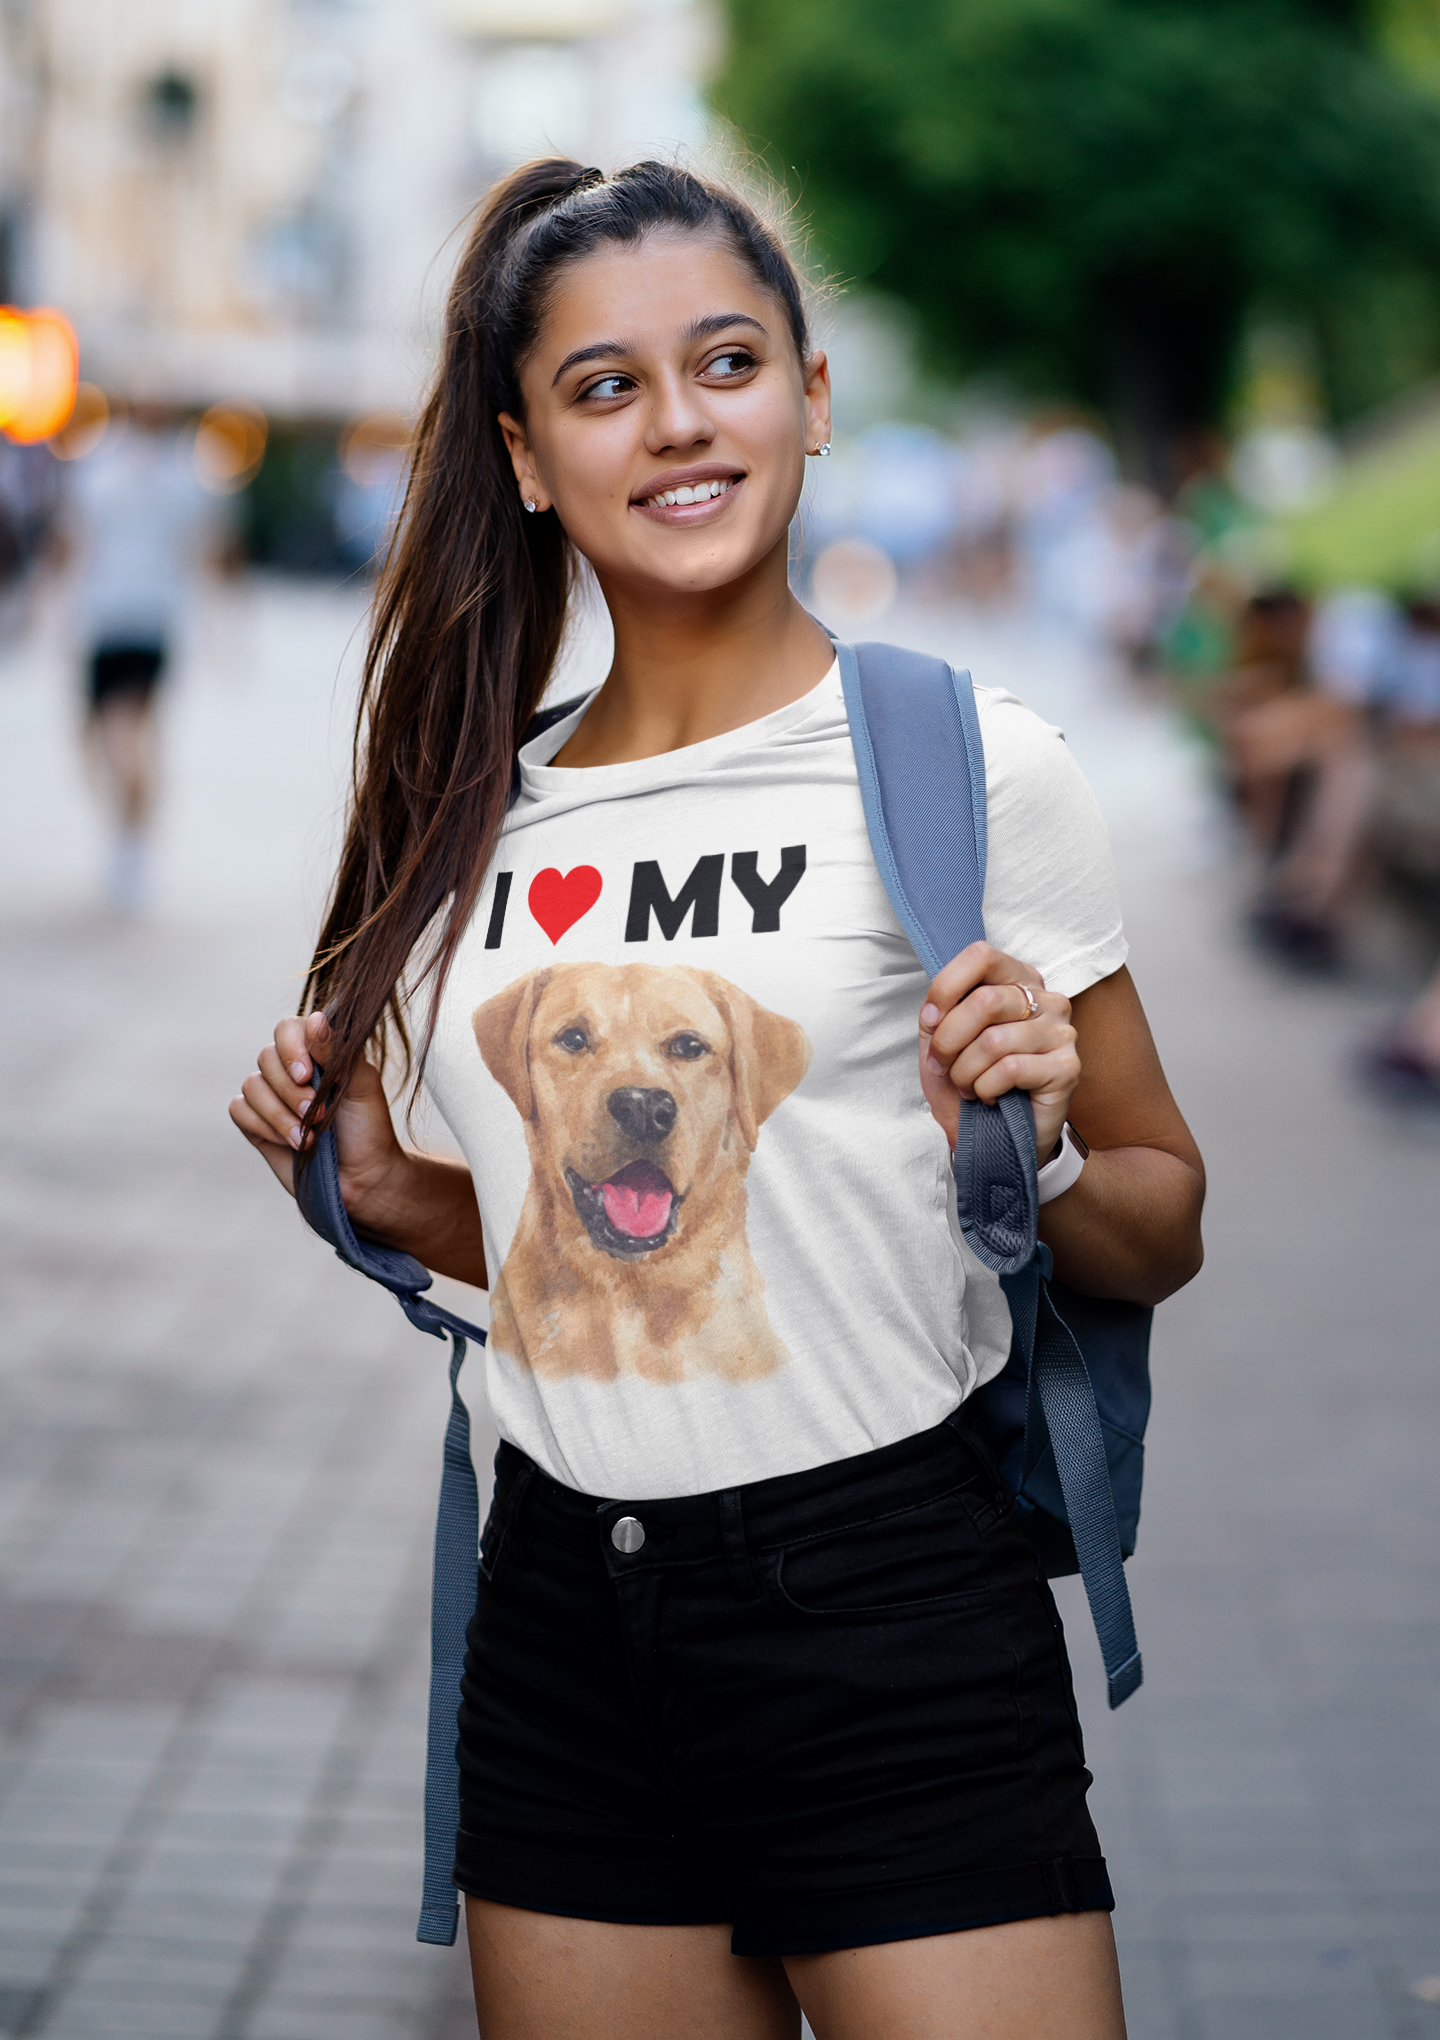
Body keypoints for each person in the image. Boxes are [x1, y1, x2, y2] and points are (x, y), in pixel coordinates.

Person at [230, 160, 1205, 2040]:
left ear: (811, 398)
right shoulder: (464, 818)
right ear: (525, 456)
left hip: (896, 1607)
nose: (678, 422)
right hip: (559, 1629)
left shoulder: (964, 763)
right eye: (604, 387)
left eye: (727, 361)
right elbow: (548, 1255)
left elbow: (1160, 1213)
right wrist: (390, 1190)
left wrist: (1034, 1146)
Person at [68, 402, 212, 911]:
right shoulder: (181, 477)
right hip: (144, 622)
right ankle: (132, 840)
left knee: (117, 742)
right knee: (128, 740)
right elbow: (203, 551)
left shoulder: (99, 469)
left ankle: (131, 848)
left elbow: (74, 544)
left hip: (118, 620)